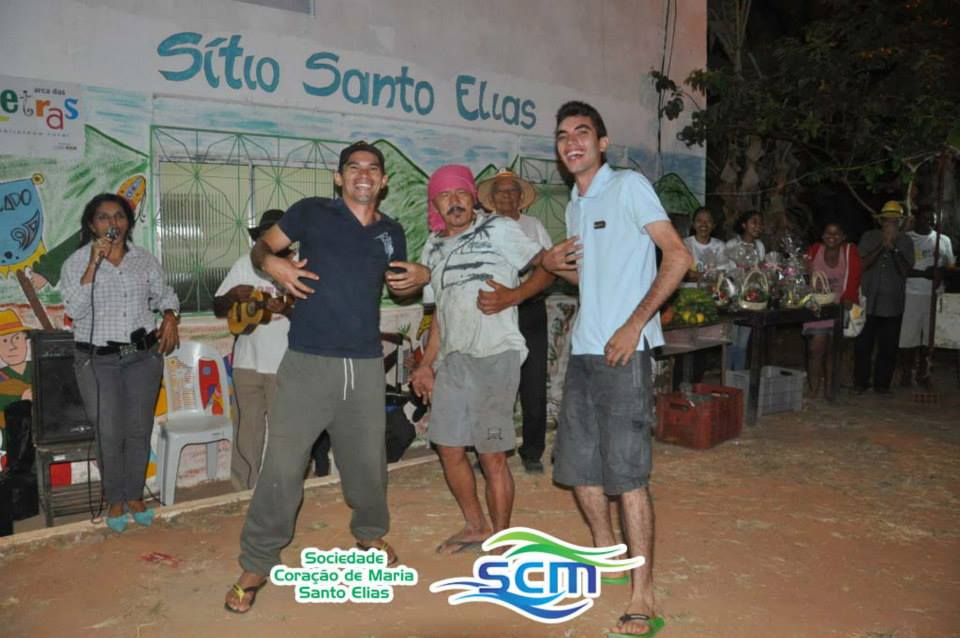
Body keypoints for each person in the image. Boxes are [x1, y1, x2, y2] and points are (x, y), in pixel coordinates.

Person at [224, 141, 430, 613]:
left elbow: (400, 289)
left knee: (368, 465)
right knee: (282, 465)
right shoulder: (311, 212)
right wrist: (272, 263)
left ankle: (370, 535)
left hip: (364, 365)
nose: (363, 174)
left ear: (383, 181)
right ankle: (258, 560)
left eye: (372, 168)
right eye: (353, 167)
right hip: (307, 362)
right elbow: (262, 247)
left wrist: (421, 275)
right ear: (339, 178)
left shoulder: (392, 232)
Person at [541, 101, 690, 638]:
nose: (572, 142)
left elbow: (678, 256)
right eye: (563, 135)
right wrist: (549, 265)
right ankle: (606, 555)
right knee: (578, 469)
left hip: (625, 351)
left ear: (602, 142)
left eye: (582, 132)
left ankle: (642, 592)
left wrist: (633, 325)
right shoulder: (575, 205)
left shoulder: (628, 186)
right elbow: (593, 277)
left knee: (627, 475)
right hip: (584, 351)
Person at [410, 165, 552, 554]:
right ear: (435, 204)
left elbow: (547, 266)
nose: (454, 202)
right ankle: (475, 526)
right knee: (449, 448)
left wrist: (515, 295)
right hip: (453, 360)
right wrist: (426, 364)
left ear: (473, 198)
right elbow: (441, 315)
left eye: (460, 193)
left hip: (495, 354)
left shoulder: (499, 229)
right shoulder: (432, 248)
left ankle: (502, 540)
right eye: (444, 195)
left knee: (492, 456)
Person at [59, 193, 180, 533]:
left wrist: (170, 315)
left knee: (139, 428)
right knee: (109, 431)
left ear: (128, 223)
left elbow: (164, 294)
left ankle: (135, 496)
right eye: (104, 217)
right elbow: (75, 310)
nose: (113, 223)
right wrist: (93, 264)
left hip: (142, 356)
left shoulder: (144, 259)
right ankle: (115, 499)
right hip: (97, 360)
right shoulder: (77, 262)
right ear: (91, 224)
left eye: (119, 216)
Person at [477, 168, 555, 474]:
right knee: (493, 384)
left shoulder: (534, 226)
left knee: (533, 383)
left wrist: (523, 291)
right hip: (494, 312)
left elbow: (549, 266)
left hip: (529, 310)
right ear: (491, 198)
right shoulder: (482, 226)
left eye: (513, 191)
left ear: (521, 198)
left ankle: (532, 451)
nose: (507, 196)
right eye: (501, 191)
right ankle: (490, 449)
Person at [213, 209, 294, 490]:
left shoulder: (298, 266)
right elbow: (218, 307)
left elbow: (316, 317)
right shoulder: (244, 264)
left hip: (285, 363)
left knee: (286, 432)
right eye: (266, 236)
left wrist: (287, 310)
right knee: (247, 431)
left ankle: (281, 489)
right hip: (246, 362)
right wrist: (231, 295)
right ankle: (243, 491)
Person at [854, 200, 915, 395]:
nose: (890, 224)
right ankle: (860, 382)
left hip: (892, 303)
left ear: (900, 222)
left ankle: (882, 385)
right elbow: (862, 264)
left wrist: (893, 248)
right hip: (868, 300)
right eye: (887, 220)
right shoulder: (869, 237)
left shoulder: (906, 241)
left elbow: (905, 270)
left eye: (894, 221)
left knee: (888, 347)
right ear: (881, 221)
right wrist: (882, 245)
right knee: (863, 345)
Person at [802, 221, 862, 399]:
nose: (832, 237)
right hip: (817, 307)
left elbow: (856, 275)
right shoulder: (814, 251)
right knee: (816, 348)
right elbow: (803, 275)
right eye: (828, 233)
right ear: (822, 236)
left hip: (840, 307)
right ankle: (813, 388)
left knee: (834, 351)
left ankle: (830, 389)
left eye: (836, 234)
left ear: (843, 237)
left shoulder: (849, 251)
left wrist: (849, 296)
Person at [898, 207, 954, 388]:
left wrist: (940, 271)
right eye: (925, 217)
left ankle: (924, 373)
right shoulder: (907, 238)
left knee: (929, 337)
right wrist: (924, 274)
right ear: (917, 218)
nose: (929, 221)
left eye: (932, 218)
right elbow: (901, 268)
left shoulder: (943, 240)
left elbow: (950, 266)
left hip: (935, 294)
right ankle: (907, 373)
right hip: (912, 293)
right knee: (908, 337)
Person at [725, 210, 766, 371]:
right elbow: (727, 272)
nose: (758, 226)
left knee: (743, 342)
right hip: (735, 297)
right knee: (731, 340)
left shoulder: (759, 246)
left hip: (753, 298)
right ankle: (727, 376)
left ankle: (738, 377)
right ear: (743, 225)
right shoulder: (732, 245)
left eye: (760, 223)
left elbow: (760, 271)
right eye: (754, 222)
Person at [682, 206, 728, 287]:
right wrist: (709, 276)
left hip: (712, 289)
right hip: (687, 289)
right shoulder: (684, 244)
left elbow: (722, 274)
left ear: (713, 225)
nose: (704, 224)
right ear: (693, 224)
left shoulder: (720, 246)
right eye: (699, 220)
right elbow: (681, 273)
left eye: (708, 221)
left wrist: (695, 274)